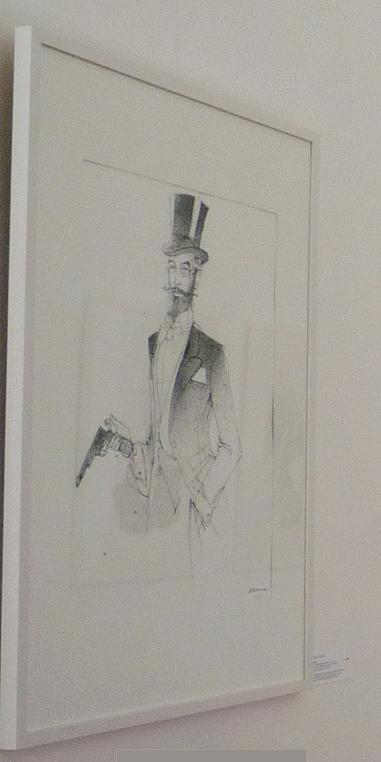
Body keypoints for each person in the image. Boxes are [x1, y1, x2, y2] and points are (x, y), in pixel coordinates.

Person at [79, 192, 239, 543]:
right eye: (172, 266)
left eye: (186, 268)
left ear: (197, 278)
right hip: (159, 501)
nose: (177, 279)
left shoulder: (212, 353)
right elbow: (158, 435)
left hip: (198, 506)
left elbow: (231, 447)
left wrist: (204, 499)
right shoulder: (154, 342)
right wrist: (127, 443)